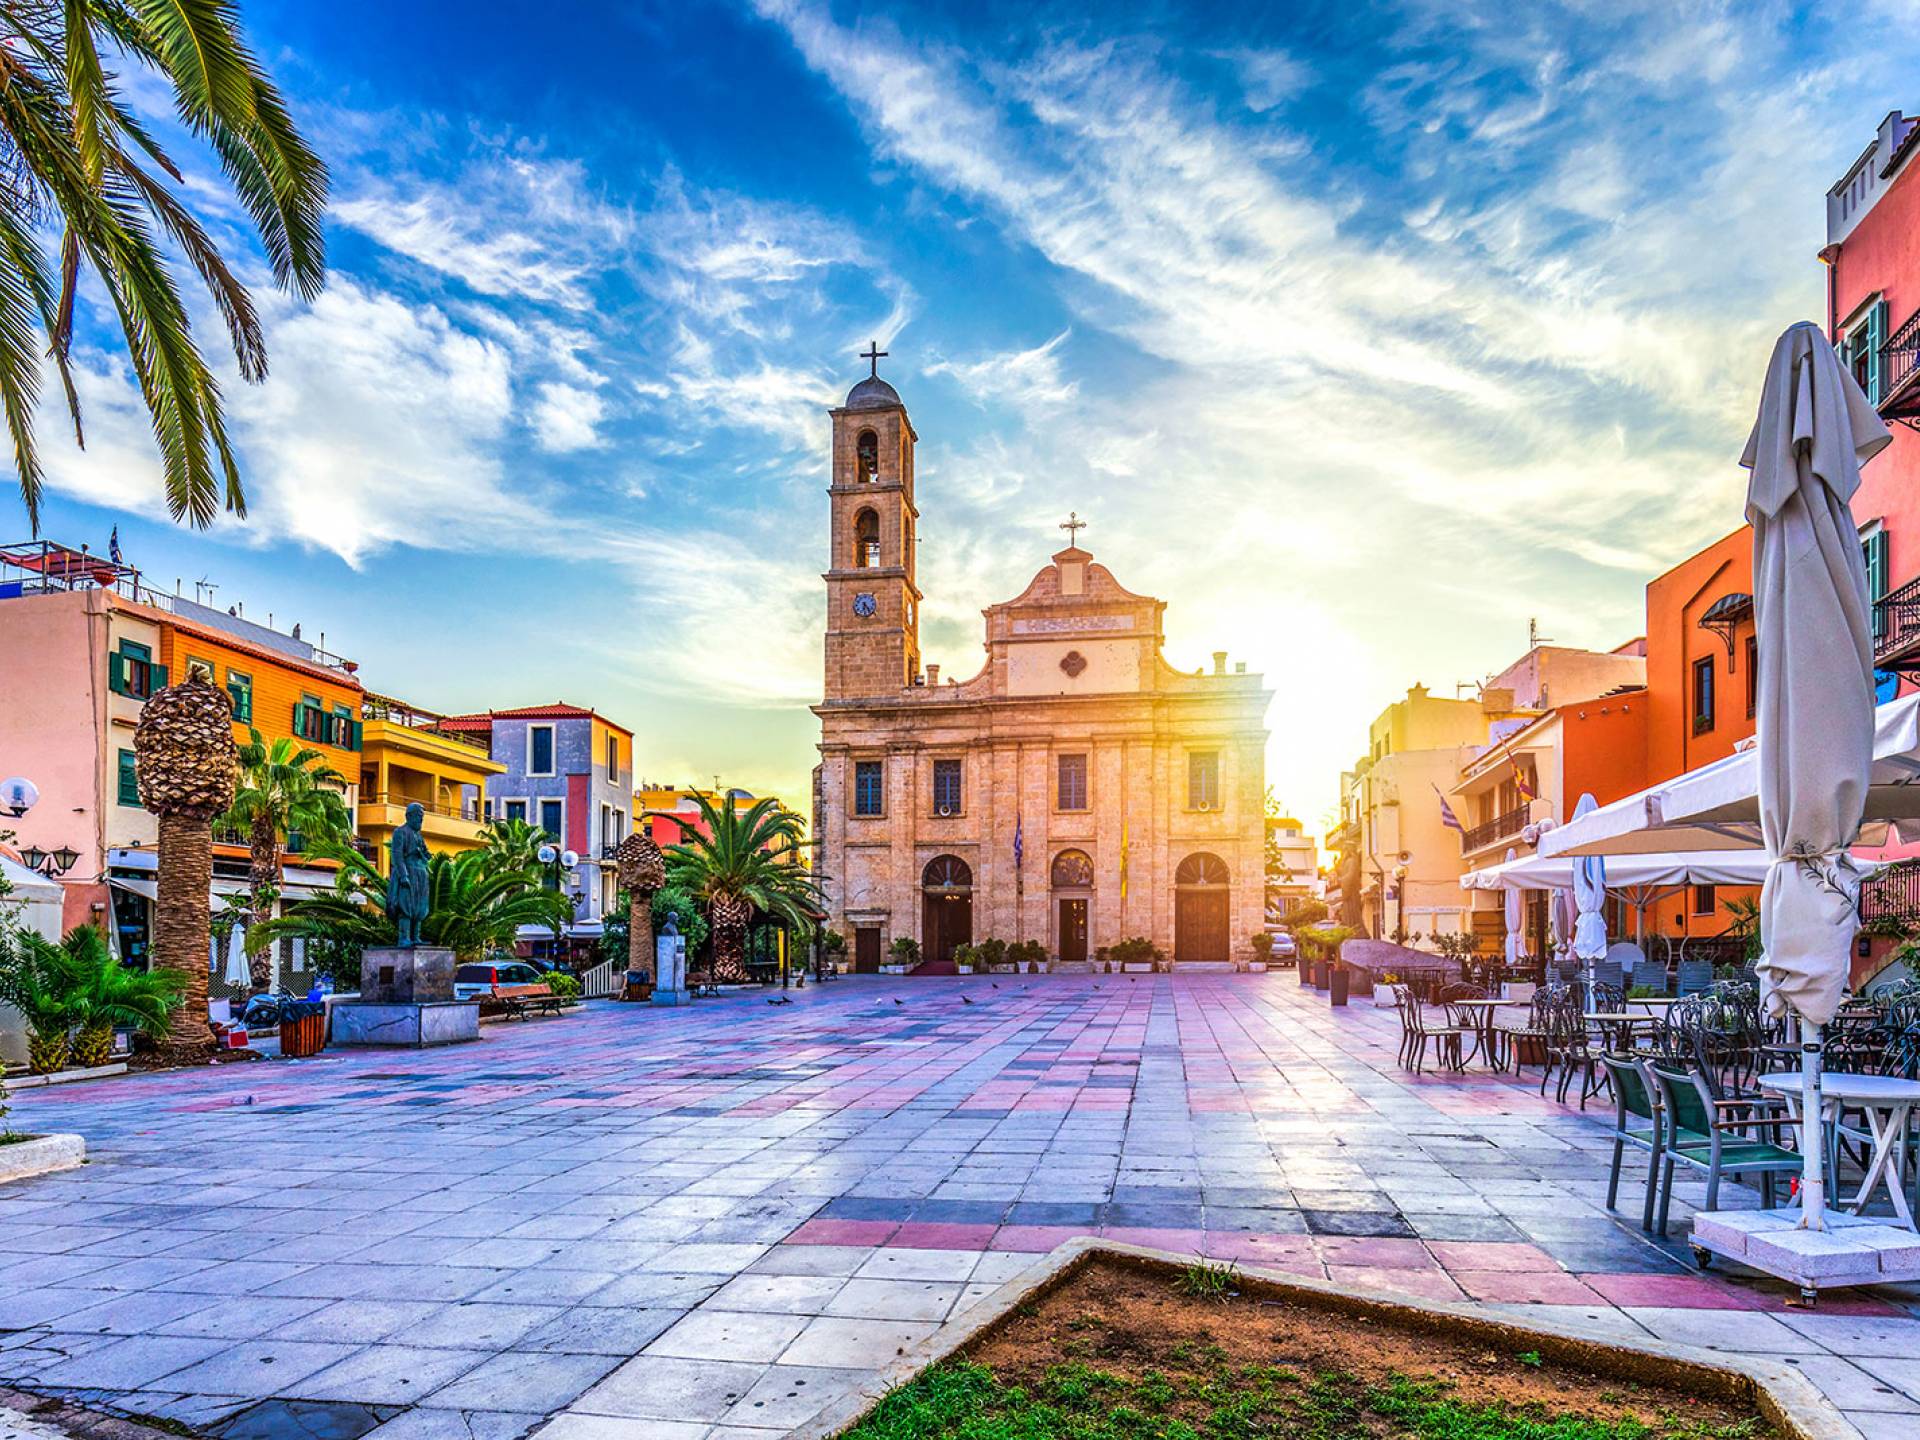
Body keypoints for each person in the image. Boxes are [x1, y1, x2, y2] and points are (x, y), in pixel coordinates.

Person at [387, 803, 431, 947]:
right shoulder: (400, 832)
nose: (421, 820)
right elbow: (397, 855)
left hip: (420, 873)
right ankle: (404, 937)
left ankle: (416, 936)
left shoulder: (419, 836)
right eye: (418, 816)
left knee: (420, 906)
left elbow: (426, 854)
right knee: (406, 906)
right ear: (409, 816)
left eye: (422, 817)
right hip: (408, 872)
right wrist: (403, 875)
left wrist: (426, 855)